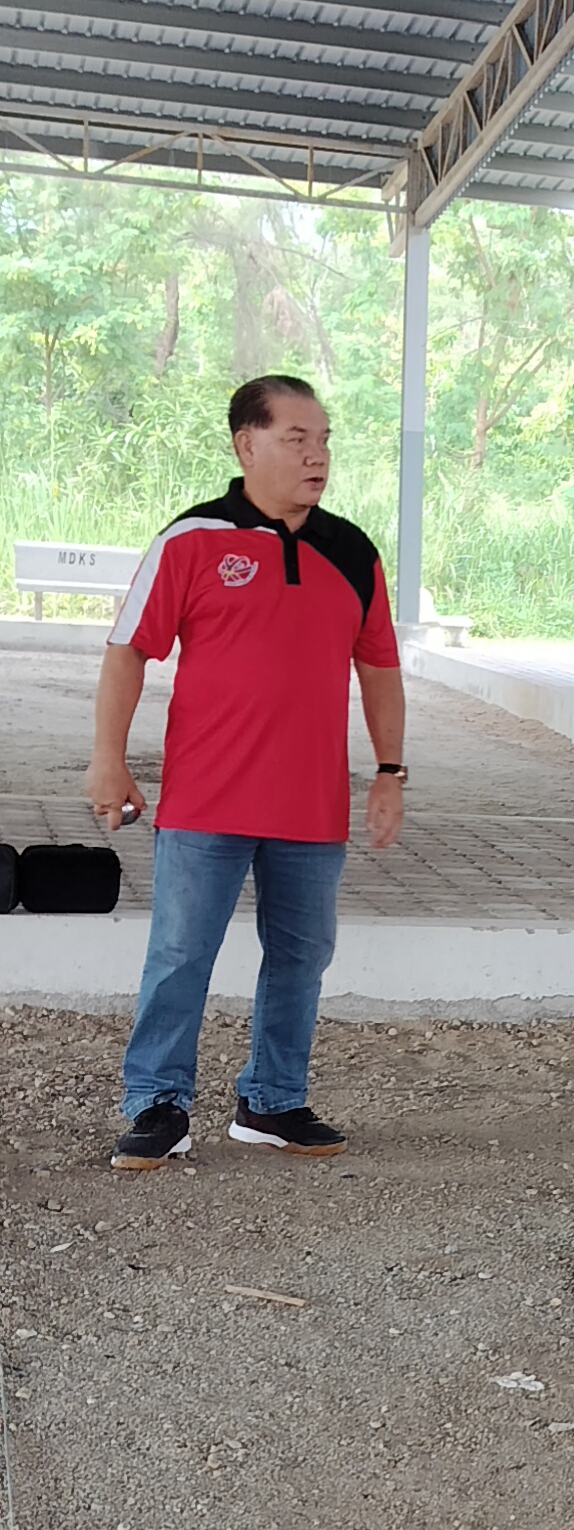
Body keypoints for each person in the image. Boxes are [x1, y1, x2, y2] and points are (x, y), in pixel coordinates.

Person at [87, 375, 406, 1170]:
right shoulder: (193, 539)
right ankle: (157, 1101)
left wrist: (391, 770)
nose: (317, 455)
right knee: (180, 956)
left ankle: (272, 1101)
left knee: (301, 958)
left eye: (325, 439)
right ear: (246, 444)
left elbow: (381, 668)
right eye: (297, 438)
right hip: (206, 797)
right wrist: (108, 759)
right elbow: (128, 650)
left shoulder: (351, 552)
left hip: (311, 804)